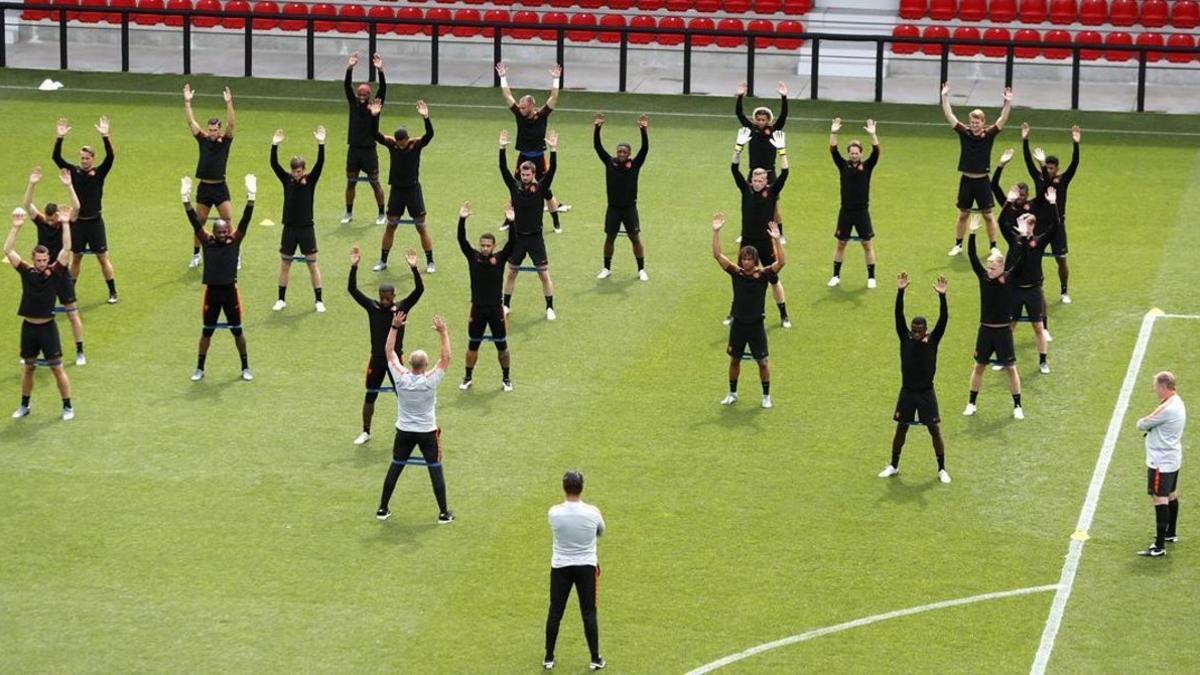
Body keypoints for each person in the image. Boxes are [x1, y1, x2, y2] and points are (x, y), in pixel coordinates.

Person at [375, 312, 454, 525]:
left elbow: (389, 351)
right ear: (426, 365)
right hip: (427, 432)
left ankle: (382, 508)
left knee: (396, 466)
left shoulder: (400, 378)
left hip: (404, 431)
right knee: (435, 469)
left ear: (410, 364)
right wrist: (443, 332)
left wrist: (394, 327)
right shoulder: (430, 381)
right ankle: (444, 512)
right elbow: (446, 358)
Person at [181, 174, 256, 383]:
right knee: (206, 333)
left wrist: (251, 197)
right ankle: (200, 368)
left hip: (230, 292)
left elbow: (245, 221)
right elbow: (195, 223)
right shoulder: (207, 242)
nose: (224, 234)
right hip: (212, 293)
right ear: (213, 233)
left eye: (226, 231)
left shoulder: (234, 242)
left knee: (237, 331)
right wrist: (185, 199)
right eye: (220, 232)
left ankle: (245, 366)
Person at [348, 244, 424, 446]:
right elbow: (352, 290)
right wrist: (354, 267)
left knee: (404, 395)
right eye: (381, 298)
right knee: (370, 395)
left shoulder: (401, 309)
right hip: (377, 359)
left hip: (395, 360)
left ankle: (410, 429)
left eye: (387, 298)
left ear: (394, 296)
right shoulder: (372, 307)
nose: (383, 301)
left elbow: (419, 290)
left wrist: (414, 268)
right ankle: (365, 431)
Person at [993, 150, 1059, 373]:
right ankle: (1004, 358)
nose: (1023, 225)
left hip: (1032, 288)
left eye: (1027, 223)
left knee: (1038, 326)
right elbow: (1001, 220)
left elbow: (1054, 221)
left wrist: (1052, 203)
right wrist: (1001, 168)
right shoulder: (1012, 237)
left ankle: (1042, 361)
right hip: (1014, 288)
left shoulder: (1038, 240)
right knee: (1008, 326)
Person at [880, 273, 950, 483]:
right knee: (901, 429)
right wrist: (900, 292)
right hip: (907, 392)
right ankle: (893, 465)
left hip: (927, 392)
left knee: (934, 430)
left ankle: (942, 469)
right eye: (913, 330)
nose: (915, 333)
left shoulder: (933, 340)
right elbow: (898, 315)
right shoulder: (905, 337)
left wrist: (942, 297)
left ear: (925, 330)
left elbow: (944, 319)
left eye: (919, 331)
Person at [6, 207, 74, 421]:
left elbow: (67, 249)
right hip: (28, 327)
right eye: (39, 259)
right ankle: (25, 405)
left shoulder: (55, 273)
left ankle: (67, 406)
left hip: (47, 328)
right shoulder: (26, 271)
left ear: (48, 259)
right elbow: (8, 251)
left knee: (57, 369)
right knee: (28, 368)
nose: (42, 262)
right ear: (33, 258)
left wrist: (64, 224)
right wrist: (15, 228)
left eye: (45, 260)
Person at [712, 213, 785, 409]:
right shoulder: (736, 273)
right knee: (734, 361)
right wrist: (715, 232)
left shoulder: (763, 275)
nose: (745, 261)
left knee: (762, 362)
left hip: (756, 325)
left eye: (749, 258)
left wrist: (777, 241)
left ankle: (766, 396)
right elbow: (718, 256)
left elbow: (781, 263)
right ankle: (732, 393)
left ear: (755, 260)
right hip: (738, 325)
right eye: (743, 258)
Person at [940, 82, 1013, 257]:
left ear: (983, 122)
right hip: (966, 180)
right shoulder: (964, 132)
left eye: (977, 122)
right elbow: (949, 115)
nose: (973, 125)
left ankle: (993, 247)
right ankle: (958, 245)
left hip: (982, 181)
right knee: (963, 215)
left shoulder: (989, 135)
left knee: (988, 216)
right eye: (972, 122)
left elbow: (1002, 119)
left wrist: (1008, 102)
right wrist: (944, 96)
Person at [543, 470, 606, 672]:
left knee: (555, 611)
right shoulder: (593, 512)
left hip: (560, 566)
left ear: (564, 488)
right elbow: (601, 531)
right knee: (589, 612)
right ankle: (595, 658)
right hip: (586, 566)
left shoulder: (554, 512)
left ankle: (549, 657)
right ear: (582, 488)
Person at [23, 166, 86, 366]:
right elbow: (27, 204)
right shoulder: (41, 222)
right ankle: (31, 353)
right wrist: (32, 183)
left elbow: (76, 207)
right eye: (48, 219)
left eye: (53, 219)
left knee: (72, 313)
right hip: (43, 275)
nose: (50, 223)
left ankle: (80, 351)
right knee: (38, 315)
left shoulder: (65, 222)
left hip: (60, 272)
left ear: (58, 215)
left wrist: (69, 186)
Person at [963, 219, 1025, 420]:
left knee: (1010, 368)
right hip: (986, 330)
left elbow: (1022, 260)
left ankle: (1017, 406)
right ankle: (971, 403)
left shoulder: (1008, 278)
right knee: (978, 366)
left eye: (992, 266)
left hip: (1003, 331)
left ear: (1001, 267)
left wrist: (1023, 238)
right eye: (988, 266)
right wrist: (972, 233)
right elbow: (972, 256)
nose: (988, 269)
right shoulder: (983, 277)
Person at [52, 115, 119, 304]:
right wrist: (60, 137)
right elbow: (56, 158)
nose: (83, 161)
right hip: (78, 223)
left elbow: (111, 157)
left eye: (87, 158)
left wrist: (106, 136)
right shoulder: (74, 172)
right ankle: (70, 293)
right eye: (81, 158)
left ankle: (113, 292)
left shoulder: (99, 173)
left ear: (93, 158)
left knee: (103, 259)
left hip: (95, 222)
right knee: (76, 260)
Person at [496, 61, 568, 233]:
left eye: (523, 107)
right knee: (515, 188)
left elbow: (553, 98)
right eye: (519, 106)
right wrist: (503, 77)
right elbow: (508, 97)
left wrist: (556, 80)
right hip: (523, 156)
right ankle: (508, 219)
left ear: (531, 107)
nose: (520, 108)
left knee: (546, 192)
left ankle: (556, 221)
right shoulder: (519, 115)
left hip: (539, 157)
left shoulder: (542, 115)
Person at [367, 99, 436, 274]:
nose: (400, 145)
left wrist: (426, 118)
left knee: (421, 226)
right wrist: (375, 116)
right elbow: (375, 134)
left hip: (413, 190)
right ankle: (383, 261)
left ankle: (430, 261)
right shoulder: (392, 144)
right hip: (397, 190)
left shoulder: (415, 144)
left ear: (406, 139)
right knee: (391, 225)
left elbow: (429, 135)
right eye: (398, 142)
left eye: (402, 142)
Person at [730, 127, 790, 328]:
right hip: (747, 240)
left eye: (760, 180)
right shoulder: (745, 190)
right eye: (754, 180)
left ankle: (784, 315)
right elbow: (734, 169)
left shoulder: (772, 192)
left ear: (766, 181)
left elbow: (785, 172)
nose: (756, 183)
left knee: (773, 278)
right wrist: (738, 148)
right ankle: (733, 314)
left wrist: (782, 152)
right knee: (739, 277)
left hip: (765, 241)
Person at [499, 129, 558, 321]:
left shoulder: (540, 188)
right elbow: (503, 169)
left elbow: (552, 171)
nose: (524, 177)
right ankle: (506, 305)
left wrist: (553, 150)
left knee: (543, 275)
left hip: (535, 238)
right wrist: (502, 148)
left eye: (527, 174)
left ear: (533, 174)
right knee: (511, 273)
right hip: (517, 237)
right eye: (522, 174)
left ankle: (550, 308)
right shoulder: (514, 187)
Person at [457, 201, 514, 392]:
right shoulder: (473, 257)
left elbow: (512, 244)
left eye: (488, 245)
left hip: (495, 309)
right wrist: (462, 219)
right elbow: (462, 241)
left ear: (493, 246)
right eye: (482, 245)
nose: (485, 248)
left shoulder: (500, 259)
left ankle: (506, 378)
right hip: (478, 309)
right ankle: (468, 376)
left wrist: (512, 223)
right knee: (473, 345)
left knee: (502, 346)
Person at [270, 126, 327, 313]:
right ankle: (281, 299)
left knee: (312, 264)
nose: (296, 173)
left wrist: (321, 143)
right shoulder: (286, 180)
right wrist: (274, 145)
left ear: (304, 170)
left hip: (306, 228)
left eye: (299, 171)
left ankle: (319, 300)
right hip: (289, 228)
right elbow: (274, 165)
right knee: (285, 264)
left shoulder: (310, 180)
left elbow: (320, 164)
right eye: (294, 171)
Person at [1023, 123, 1081, 304]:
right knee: (1033, 257)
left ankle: (1064, 291)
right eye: (1046, 167)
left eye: (1051, 168)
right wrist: (1025, 140)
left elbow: (1075, 163)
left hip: (1057, 225)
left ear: (1057, 168)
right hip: (1039, 224)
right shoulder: (1038, 177)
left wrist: (1076, 144)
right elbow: (1027, 161)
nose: (1048, 170)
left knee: (1061, 260)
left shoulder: (1063, 180)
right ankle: (1035, 288)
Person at [183, 83, 236, 269]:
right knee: (199, 223)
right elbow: (191, 123)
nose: (212, 133)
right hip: (204, 187)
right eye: (210, 129)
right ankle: (197, 255)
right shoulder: (203, 140)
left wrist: (229, 103)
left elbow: (231, 124)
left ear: (219, 130)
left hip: (220, 187)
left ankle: (234, 255)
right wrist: (187, 102)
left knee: (228, 221)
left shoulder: (225, 142)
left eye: (215, 130)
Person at [1135, 371, 1186, 557]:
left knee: (1159, 498)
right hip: (1172, 458)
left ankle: (1158, 546)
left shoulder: (1168, 408)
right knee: (1171, 494)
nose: (1154, 389)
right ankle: (1170, 533)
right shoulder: (1177, 401)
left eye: (1156, 386)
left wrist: (1144, 422)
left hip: (1160, 462)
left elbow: (1142, 423)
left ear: (1164, 387)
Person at [593, 113, 649, 281]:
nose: (621, 153)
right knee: (610, 237)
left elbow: (645, 149)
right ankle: (606, 268)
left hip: (630, 207)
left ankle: (641, 269)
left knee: (635, 238)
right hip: (613, 208)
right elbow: (598, 147)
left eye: (624, 152)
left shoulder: (635, 165)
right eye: (619, 151)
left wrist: (644, 131)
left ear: (629, 153)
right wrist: (597, 128)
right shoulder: (610, 162)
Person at [827, 118, 881, 289]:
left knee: (867, 244)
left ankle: (871, 277)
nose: (854, 155)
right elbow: (833, 150)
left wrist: (873, 134)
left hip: (862, 211)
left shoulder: (867, 166)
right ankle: (836, 276)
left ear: (861, 154)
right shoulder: (843, 165)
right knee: (841, 243)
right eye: (851, 153)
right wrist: (834, 132)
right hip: (846, 211)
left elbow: (877, 152)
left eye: (857, 153)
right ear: (849, 153)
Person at [735, 80, 789, 241]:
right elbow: (739, 115)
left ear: (768, 120)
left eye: (763, 119)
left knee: (774, 207)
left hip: (770, 173)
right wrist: (739, 97)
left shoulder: (774, 131)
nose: (760, 121)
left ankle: (780, 233)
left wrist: (784, 97)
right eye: (758, 119)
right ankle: (744, 231)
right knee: (748, 203)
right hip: (753, 172)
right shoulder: (750, 130)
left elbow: (784, 116)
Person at [342, 52, 387, 226]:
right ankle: (348, 212)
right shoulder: (353, 104)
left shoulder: (374, 107)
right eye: (359, 95)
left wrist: (380, 71)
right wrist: (349, 68)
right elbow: (346, 86)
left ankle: (381, 213)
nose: (361, 98)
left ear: (368, 95)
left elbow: (383, 90)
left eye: (364, 95)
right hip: (353, 149)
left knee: (375, 183)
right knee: (351, 183)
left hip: (369, 150)